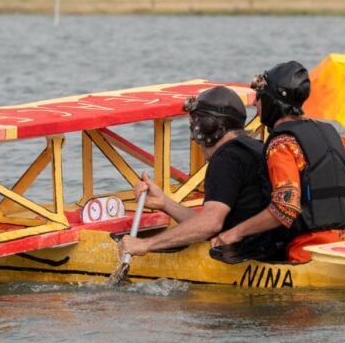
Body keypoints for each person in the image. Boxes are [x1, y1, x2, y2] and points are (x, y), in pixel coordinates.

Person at [210, 60, 345, 263]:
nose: (255, 103)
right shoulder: (333, 137)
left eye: (259, 97)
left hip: (306, 252)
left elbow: (286, 208)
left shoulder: (282, 144)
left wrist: (234, 233)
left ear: (273, 101)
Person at [117, 86, 284, 262]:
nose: (192, 138)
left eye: (193, 128)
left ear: (209, 127)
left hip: (250, 258)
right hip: (274, 248)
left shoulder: (226, 159)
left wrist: (146, 244)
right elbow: (206, 221)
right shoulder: (257, 148)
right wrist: (165, 203)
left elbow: (211, 224)